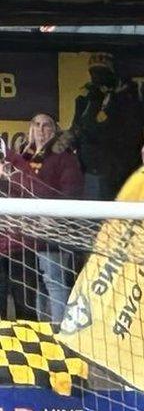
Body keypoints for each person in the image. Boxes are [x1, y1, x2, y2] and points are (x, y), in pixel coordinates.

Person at [0, 114, 82, 323]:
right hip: (25, 233)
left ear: (54, 129)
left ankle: (57, 330)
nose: (41, 129)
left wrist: (52, 214)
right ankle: (43, 330)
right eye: (36, 125)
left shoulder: (65, 157)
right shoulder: (23, 155)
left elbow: (71, 192)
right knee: (35, 285)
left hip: (52, 229)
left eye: (46, 125)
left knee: (53, 280)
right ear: (30, 129)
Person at [68, 56, 144, 199]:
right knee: (92, 216)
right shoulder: (87, 99)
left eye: (102, 72)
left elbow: (127, 134)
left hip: (119, 170)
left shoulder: (127, 99)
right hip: (91, 169)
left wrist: (116, 99)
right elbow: (77, 129)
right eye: (94, 73)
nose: (97, 78)